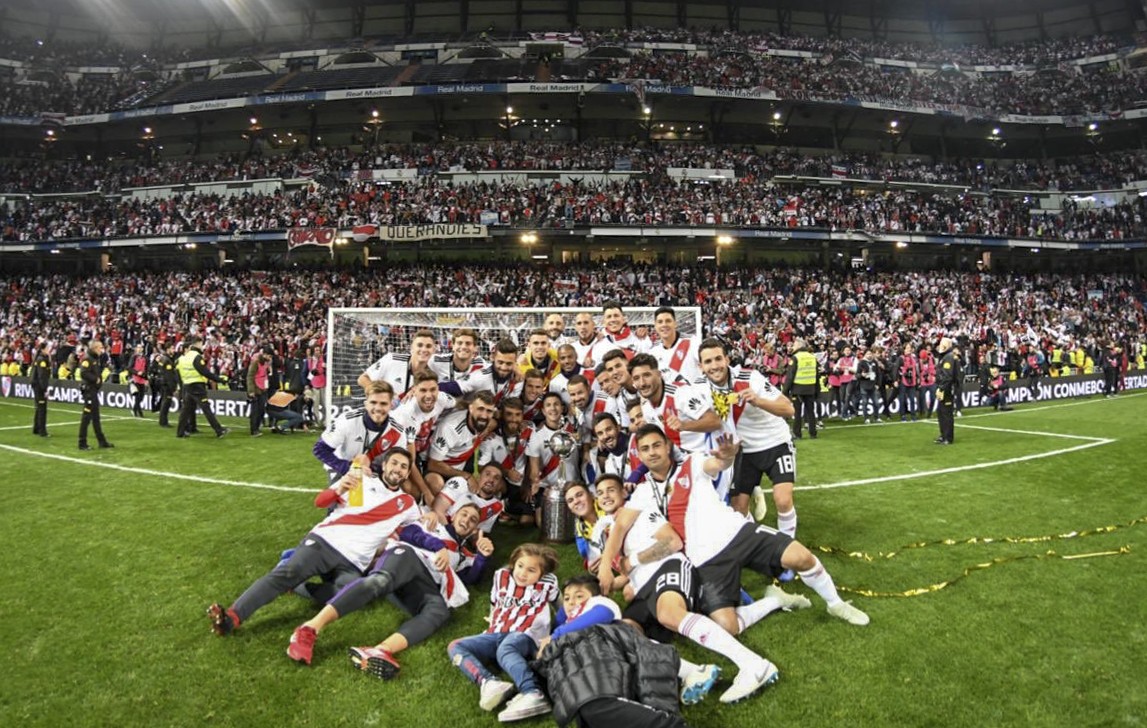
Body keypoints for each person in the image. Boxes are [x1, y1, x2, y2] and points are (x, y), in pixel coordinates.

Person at [619, 425, 869, 632]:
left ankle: (835, 604)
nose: (652, 452)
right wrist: (612, 561)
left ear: (667, 446)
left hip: (738, 533)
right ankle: (774, 600)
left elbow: (718, 464)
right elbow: (621, 523)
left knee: (801, 557)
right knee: (728, 627)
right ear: (639, 455)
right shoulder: (642, 492)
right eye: (645, 449)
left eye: (656, 445)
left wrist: (727, 455)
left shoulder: (692, 464)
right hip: (704, 560)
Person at [596, 472, 788, 705]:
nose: (605, 495)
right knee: (625, 631)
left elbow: (672, 542)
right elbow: (624, 573)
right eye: (600, 493)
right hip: (645, 585)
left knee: (671, 614)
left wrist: (631, 561)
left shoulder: (641, 512)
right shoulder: (605, 528)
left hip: (669, 568)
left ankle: (755, 665)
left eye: (610, 490)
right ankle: (694, 672)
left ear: (624, 492)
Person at [207, 448, 419, 636]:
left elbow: (416, 529)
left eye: (403, 467)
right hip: (325, 542)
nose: (398, 469)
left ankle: (300, 586)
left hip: (354, 563)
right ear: (384, 465)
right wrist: (338, 489)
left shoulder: (408, 504)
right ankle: (231, 618)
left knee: (353, 595)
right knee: (286, 574)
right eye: (394, 463)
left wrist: (429, 518)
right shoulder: (360, 479)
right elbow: (319, 502)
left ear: (408, 473)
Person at [286, 502, 493, 669]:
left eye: (473, 520)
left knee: (439, 610)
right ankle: (309, 628)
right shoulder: (434, 523)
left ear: (475, 529)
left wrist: (482, 557)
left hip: (424, 581)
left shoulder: (465, 555)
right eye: (464, 514)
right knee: (378, 582)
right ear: (454, 515)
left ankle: (380, 650)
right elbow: (409, 533)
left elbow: (469, 579)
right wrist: (437, 546)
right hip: (407, 558)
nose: (467, 520)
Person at [447, 543, 561, 722]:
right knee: (455, 646)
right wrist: (493, 620)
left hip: (526, 634)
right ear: (513, 563)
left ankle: (533, 693)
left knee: (506, 649)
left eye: (531, 570)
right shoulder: (501, 576)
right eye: (520, 566)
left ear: (541, 573)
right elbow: (495, 602)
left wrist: (559, 631)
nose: (523, 573)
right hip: (496, 631)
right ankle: (489, 682)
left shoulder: (548, 582)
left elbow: (560, 607)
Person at [697, 338, 795, 530]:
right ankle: (759, 541)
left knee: (783, 500)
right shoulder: (699, 388)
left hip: (775, 443)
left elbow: (789, 409)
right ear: (700, 366)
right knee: (737, 509)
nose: (714, 366)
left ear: (727, 359)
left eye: (718, 359)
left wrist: (758, 401)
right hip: (742, 451)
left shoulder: (749, 377)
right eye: (708, 362)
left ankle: (785, 548)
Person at [313, 380, 407, 486]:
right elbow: (319, 449)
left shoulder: (397, 431)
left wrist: (373, 470)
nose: (378, 408)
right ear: (366, 404)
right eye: (373, 402)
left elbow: (400, 461)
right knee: (344, 501)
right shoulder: (347, 420)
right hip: (342, 468)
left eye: (383, 404)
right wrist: (348, 468)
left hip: (374, 471)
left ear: (391, 405)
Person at [628, 353, 722, 454]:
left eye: (646, 375)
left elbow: (715, 422)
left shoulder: (680, 393)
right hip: (683, 458)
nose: (642, 383)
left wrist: (683, 425)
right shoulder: (646, 406)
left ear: (659, 375)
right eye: (636, 378)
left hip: (708, 453)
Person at [390, 369, 457, 504]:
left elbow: (459, 403)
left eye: (433, 390)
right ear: (414, 390)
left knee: (436, 484)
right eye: (423, 390)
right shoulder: (407, 414)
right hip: (394, 453)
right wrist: (426, 492)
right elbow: (410, 460)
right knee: (412, 490)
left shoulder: (442, 398)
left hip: (420, 452)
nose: (429, 395)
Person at [358, 328, 436, 399]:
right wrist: (381, 394)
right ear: (412, 347)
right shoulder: (392, 359)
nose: (424, 349)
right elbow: (363, 378)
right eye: (419, 345)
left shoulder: (433, 372)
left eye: (428, 346)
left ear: (434, 350)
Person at [176, 336, 229, 439]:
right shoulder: (196, 357)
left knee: (185, 410)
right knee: (206, 408)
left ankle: (180, 432)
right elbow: (205, 372)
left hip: (187, 385)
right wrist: (220, 380)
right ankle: (219, 430)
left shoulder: (182, 358)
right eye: (201, 344)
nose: (203, 346)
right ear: (197, 344)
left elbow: (178, 372)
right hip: (197, 386)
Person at [651, 306, 703, 385]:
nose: (664, 324)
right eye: (660, 322)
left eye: (668, 321)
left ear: (675, 323)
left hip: (694, 395)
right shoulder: (653, 351)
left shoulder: (691, 341)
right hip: (668, 396)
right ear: (655, 326)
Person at [78, 339, 114, 451]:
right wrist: (96, 379)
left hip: (93, 391)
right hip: (89, 391)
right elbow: (83, 373)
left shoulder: (94, 359)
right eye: (100, 347)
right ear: (94, 348)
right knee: (86, 418)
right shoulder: (87, 359)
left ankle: (102, 441)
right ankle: (82, 443)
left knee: (96, 418)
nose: (101, 350)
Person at [785, 338, 819, 439]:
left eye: (794, 345)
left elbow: (790, 376)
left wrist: (785, 391)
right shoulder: (812, 357)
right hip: (810, 388)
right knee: (811, 412)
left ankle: (797, 434)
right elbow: (817, 375)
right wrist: (817, 389)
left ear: (799, 346)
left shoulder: (795, 357)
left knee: (798, 413)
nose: (792, 347)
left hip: (798, 388)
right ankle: (813, 433)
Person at [934, 338, 957, 445]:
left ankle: (948, 437)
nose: (940, 345)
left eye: (942, 344)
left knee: (946, 413)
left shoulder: (949, 357)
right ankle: (943, 435)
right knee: (940, 412)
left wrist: (941, 388)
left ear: (947, 345)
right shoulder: (944, 357)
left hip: (947, 389)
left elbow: (948, 376)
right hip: (943, 387)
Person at [246, 347, 272, 437]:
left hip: (263, 389)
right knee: (255, 411)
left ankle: (257, 427)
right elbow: (250, 376)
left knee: (261, 410)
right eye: (269, 356)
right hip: (256, 389)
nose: (270, 358)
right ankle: (254, 430)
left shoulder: (265, 364)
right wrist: (251, 391)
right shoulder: (255, 363)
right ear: (264, 355)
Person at [30, 339, 51, 437]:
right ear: (43, 349)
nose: (49, 350)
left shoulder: (40, 358)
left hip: (37, 385)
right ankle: (42, 431)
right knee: (42, 408)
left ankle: (36, 428)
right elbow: (42, 376)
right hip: (39, 386)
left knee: (39, 407)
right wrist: (45, 389)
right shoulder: (42, 360)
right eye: (47, 348)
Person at [127, 344, 149, 418]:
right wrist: (136, 373)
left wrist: (146, 379)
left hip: (142, 379)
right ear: (136, 349)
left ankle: (136, 410)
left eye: (140, 348)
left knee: (141, 397)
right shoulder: (133, 357)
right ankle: (138, 412)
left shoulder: (146, 358)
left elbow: (147, 369)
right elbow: (129, 368)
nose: (139, 349)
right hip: (135, 378)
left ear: (142, 349)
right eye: (138, 348)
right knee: (138, 396)